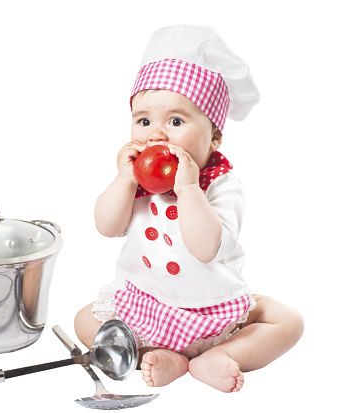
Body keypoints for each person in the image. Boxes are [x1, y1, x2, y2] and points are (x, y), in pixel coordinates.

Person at [74, 25, 303, 393]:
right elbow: (107, 225)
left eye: (176, 121)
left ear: (214, 137)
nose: (156, 135)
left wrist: (188, 189)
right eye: (143, 120)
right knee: (85, 320)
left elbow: (205, 247)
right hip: (147, 303)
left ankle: (220, 354)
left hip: (211, 310)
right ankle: (167, 357)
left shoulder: (220, 184)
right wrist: (123, 181)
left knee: (287, 321)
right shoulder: (135, 179)